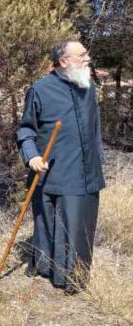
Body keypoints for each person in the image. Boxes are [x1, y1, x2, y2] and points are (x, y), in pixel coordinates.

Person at [16, 39, 105, 295]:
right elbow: (26, 130)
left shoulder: (87, 88)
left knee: (82, 224)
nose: (88, 58)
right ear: (64, 61)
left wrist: (99, 160)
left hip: (88, 170)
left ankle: (76, 276)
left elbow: (95, 129)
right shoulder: (40, 90)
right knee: (62, 224)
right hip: (57, 171)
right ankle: (58, 274)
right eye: (82, 55)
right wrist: (32, 156)